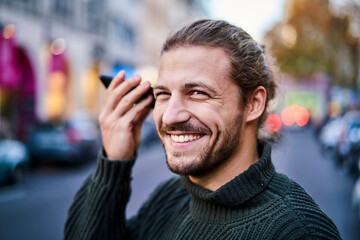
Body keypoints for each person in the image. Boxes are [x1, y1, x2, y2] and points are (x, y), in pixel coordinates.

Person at [64, 19, 341, 239]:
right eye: (162, 94)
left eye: (197, 92)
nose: (170, 115)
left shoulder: (299, 230)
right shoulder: (172, 196)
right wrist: (114, 161)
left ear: (254, 104)